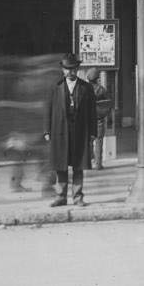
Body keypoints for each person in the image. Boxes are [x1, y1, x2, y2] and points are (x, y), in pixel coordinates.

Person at [45, 53, 96, 206]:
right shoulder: (55, 87)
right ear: (62, 70)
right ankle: (60, 196)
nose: (70, 72)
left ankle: (78, 197)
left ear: (77, 69)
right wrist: (47, 131)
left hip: (80, 132)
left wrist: (93, 132)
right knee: (61, 165)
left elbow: (92, 111)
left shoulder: (86, 88)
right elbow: (48, 110)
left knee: (78, 165)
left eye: (73, 69)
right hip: (60, 131)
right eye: (67, 69)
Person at [85, 67, 111, 169]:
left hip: (87, 120)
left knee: (88, 142)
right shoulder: (101, 89)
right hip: (99, 119)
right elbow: (108, 104)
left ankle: (88, 163)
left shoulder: (84, 89)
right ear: (97, 78)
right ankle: (98, 164)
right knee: (99, 141)